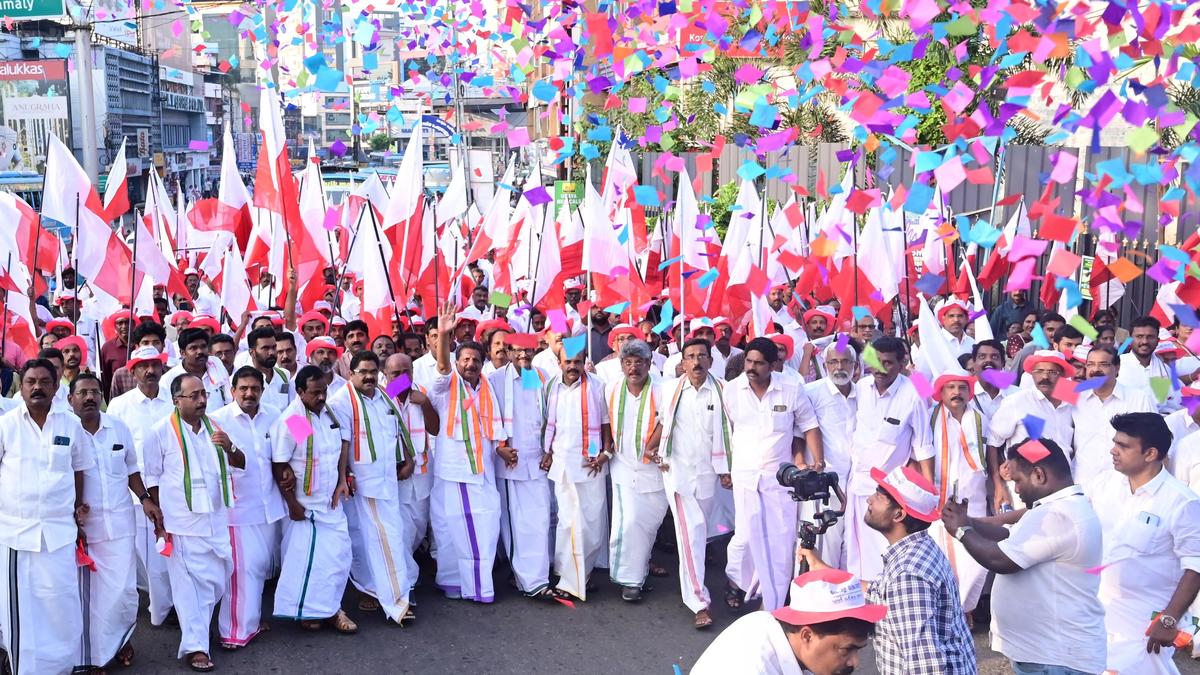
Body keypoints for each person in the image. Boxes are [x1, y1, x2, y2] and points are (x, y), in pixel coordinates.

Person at [941, 438, 1106, 675]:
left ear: (1038, 475)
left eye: (1018, 480)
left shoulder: (1058, 514)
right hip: (1050, 656)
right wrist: (968, 522)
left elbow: (1000, 560)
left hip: (1055, 660)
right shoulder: (1055, 507)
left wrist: (962, 531)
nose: (1016, 490)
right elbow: (1009, 537)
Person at [801, 465, 975, 673]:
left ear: (899, 514)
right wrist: (823, 569)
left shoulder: (908, 574)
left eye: (879, 496)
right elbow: (879, 594)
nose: (869, 500)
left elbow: (926, 667)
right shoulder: (916, 549)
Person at [143, 373, 246, 671]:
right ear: (177, 400)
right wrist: (160, 520)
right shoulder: (160, 432)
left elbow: (241, 463)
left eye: (204, 394)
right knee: (189, 589)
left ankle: (200, 628)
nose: (202, 400)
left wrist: (230, 447)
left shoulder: (216, 427)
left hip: (216, 520)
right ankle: (196, 646)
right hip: (182, 524)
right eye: (194, 395)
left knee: (216, 581)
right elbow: (152, 478)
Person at [1083, 413, 1200, 673]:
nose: (1113, 450)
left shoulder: (1182, 502)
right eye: (1114, 442)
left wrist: (1169, 619)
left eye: (1123, 446)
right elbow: (1068, 510)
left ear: (1150, 454)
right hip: (1096, 614)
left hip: (1143, 627)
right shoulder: (1104, 483)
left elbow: (1195, 567)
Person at [0, 360, 93, 675]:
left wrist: (78, 508)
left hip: (59, 533)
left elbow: (79, 469)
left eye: (44, 381)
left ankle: (60, 667)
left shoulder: (70, 425)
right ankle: (24, 668)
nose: (37, 387)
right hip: (16, 536)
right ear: (22, 387)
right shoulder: (6, 425)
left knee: (61, 605)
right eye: (30, 382)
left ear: (56, 387)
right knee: (21, 611)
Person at [724, 337, 823, 611]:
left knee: (780, 540)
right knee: (745, 538)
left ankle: (772, 606)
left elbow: (809, 425)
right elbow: (724, 431)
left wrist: (818, 461)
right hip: (745, 476)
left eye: (759, 363)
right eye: (749, 361)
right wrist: (723, 468)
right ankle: (738, 583)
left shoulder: (791, 388)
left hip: (780, 478)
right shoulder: (731, 390)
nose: (752, 367)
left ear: (773, 365)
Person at [70, 372, 160, 673]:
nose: (89, 397)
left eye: (94, 392)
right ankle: (94, 656)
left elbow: (131, 469)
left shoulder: (118, 428)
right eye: (82, 393)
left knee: (123, 592)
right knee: (90, 596)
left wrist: (145, 498)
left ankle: (120, 639)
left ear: (102, 396)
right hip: (85, 530)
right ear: (70, 399)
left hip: (120, 523)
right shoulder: (66, 433)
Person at [327, 351, 417, 625]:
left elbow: (409, 380)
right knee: (384, 540)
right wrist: (343, 477)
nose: (368, 376)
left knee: (384, 538)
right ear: (350, 373)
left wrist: (408, 457)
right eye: (362, 372)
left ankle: (374, 589)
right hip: (363, 484)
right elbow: (342, 442)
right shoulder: (340, 401)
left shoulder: (384, 394)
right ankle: (397, 602)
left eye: (372, 372)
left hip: (389, 480)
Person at [427, 303, 507, 603]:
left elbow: (494, 427)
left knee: (482, 527)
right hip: (452, 470)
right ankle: (469, 586)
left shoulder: (486, 387)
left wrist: (503, 449)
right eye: (465, 359)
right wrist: (444, 336)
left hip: (481, 469)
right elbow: (439, 372)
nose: (470, 364)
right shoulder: (446, 382)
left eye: (475, 359)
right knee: (451, 529)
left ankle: (466, 583)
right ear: (456, 361)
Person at [270, 365, 357, 634]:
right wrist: (293, 505)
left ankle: (330, 608)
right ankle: (313, 612)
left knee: (338, 558)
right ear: (300, 392)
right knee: (307, 564)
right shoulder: (296, 420)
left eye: (324, 391)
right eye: (315, 393)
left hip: (331, 503)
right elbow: (280, 464)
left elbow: (340, 445)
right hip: (306, 507)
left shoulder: (329, 413)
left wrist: (342, 480)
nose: (321, 397)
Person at [844, 337, 933, 582]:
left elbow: (923, 446)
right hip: (856, 484)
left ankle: (885, 598)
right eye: (876, 362)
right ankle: (861, 599)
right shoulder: (861, 387)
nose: (880, 369)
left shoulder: (914, 394)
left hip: (888, 493)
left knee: (883, 552)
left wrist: (928, 493)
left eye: (888, 363)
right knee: (855, 552)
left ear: (901, 364)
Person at [209, 366, 286, 650]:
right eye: (243, 388)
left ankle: (250, 621)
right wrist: (230, 449)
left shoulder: (276, 414)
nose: (249, 393)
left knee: (260, 568)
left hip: (270, 506)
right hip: (238, 511)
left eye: (255, 388)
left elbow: (304, 436)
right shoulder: (217, 420)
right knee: (242, 571)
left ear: (263, 391)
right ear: (232, 391)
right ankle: (233, 632)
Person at [659, 337, 732, 629]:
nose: (696, 361)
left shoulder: (724, 391)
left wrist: (727, 468)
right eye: (690, 356)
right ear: (683, 363)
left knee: (702, 533)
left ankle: (709, 582)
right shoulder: (669, 390)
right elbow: (661, 423)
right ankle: (699, 602)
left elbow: (732, 430)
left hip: (709, 474)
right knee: (690, 536)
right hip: (678, 473)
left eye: (702, 356)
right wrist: (652, 449)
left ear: (711, 361)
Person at [692, 569, 885, 675]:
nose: (855, 662)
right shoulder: (754, 669)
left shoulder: (766, 624)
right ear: (807, 635)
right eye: (846, 650)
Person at [106, 346, 177, 627]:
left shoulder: (173, 401)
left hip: (171, 491)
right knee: (149, 557)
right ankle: (160, 609)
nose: (150, 371)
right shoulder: (120, 405)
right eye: (143, 366)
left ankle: (173, 604)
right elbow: (117, 452)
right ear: (132, 371)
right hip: (137, 495)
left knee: (171, 553)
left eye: (155, 365)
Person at [486, 338, 556, 600]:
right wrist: (499, 447)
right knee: (517, 524)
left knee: (539, 520)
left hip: (537, 462)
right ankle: (530, 582)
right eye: (517, 350)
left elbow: (549, 416)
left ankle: (537, 576)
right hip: (511, 464)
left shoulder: (540, 376)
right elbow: (488, 417)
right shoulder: (495, 380)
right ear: (508, 352)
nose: (523, 355)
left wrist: (550, 450)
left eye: (527, 350)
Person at [544, 345, 612, 601]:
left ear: (585, 362)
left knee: (592, 524)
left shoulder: (597, 385)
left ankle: (583, 573)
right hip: (563, 463)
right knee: (568, 524)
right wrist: (546, 451)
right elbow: (545, 422)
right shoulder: (550, 386)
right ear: (559, 363)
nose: (572, 366)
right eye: (568, 361)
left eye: (577, 362)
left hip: (591, 462)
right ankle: (569, 580)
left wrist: (606, 452)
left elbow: (605, 422)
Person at [605, 339, 668, 602]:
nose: (633, 368)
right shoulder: (611, 388)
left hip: (654, 470)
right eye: (628, 362)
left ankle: (640, 570)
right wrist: (606, 450)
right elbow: (604, 420)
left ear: (649, 364)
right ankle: (630, 581)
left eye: (639, 362)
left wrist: (652, 446)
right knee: (628, 522)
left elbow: (667, 420)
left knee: (648, 526)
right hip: (623, 466)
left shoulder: (662, 390)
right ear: (621, 365)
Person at [985, 350, 1075, 512]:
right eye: (1039, 371)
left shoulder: (1072, 403)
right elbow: (992, 440)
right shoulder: (1017, 401)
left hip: (1062, 488)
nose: (1044, 377)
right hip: (1023, 487)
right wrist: (998, 484)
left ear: (1062, 375)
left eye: (1052, 372)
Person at [802, 340, 859, 570]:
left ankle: (847, 590)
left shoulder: (864, 393)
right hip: (825, 483)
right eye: (833, 362)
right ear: (825, 365)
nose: (839, 367)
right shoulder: (811, 392)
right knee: (825, 548)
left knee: (852, 549)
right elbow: (800, 432)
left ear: (855, 365)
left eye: (845, 361)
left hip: (857, 484)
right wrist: (801, 461)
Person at [1071, 345, 1157, 485]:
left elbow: (1153, 440)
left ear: (1117, 368)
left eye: (1103, 364)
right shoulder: (1075, 397)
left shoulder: (1138, 398)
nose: (1095, 370)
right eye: (1090, 364)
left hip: (1123, 485)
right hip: (1082, 483)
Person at [381, 353, 438, 553]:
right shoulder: (381, 397)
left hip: (422, 472)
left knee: (419, 523)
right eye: (395, 373)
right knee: (400, 528)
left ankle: (411, 560)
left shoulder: (422, 392)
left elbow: (435, 429)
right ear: (385, 374)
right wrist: (406, 460)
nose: (401, 378)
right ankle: (405, 568)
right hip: (396, 473)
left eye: (406, 372)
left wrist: (425, 403)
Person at [161, 327, 231, 413]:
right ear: (183, 353)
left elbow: (228, 396)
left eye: (203, 346)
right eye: (193, 348)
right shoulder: (169, 380)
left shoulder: (215, 363)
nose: (200, 351)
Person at [1119, 317, 1179, 413]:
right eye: (1139, 336)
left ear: (1157, 340)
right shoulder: (1117, 366)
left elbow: (1176, 402)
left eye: (1150, 337)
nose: (1145, 342)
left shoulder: (1165, 369)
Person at [246, 327, 294, 412]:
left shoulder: (284, 375)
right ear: (252, 352)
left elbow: (291, 408)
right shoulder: (243, 380)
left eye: (274, 347)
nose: (271, 352)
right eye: (265, 348)